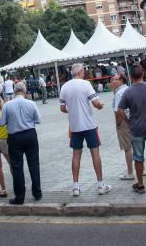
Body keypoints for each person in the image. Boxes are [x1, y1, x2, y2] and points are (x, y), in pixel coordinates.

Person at [59, 63, 111, 196]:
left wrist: (73, 111)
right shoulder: (86, 84)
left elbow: (63, 108)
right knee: (95, 152)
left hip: (75, 126)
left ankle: (75, 187)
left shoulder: (64, 87)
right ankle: (100, 185)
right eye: (84, 72)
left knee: (76, 155)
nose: (85, 74)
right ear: (81, 72)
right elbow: (95, 103)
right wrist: (100, 106)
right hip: (89, 125)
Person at [117, 65, 146, 195]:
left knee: (138, 157)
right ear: (143, 74)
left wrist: (127, 121)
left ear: (131, 77)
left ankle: (140, 185)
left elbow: (120, 110)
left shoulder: (128, 91)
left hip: (136, 128)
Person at [0, 82, 42, 205]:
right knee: (34, 164)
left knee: (17, 167)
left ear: (14, 91)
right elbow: (38, 120)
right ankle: (37, 192)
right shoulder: (31, 103)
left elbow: (1, 123)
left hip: (15, 137)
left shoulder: (7, 105)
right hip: (30, 134)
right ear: (25, 90)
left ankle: (20, 197)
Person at [110, 71, 135, 181]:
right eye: (113, 79)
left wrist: (118, 124)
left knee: (127, 147)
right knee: (136, 145)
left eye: (116, 79)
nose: (113, 81)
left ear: (122, 81)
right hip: (134, 119)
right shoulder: (128, 89)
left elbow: (118, 111)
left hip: (124, 121)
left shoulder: (120, 93)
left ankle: (130, 172)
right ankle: (141, 169)